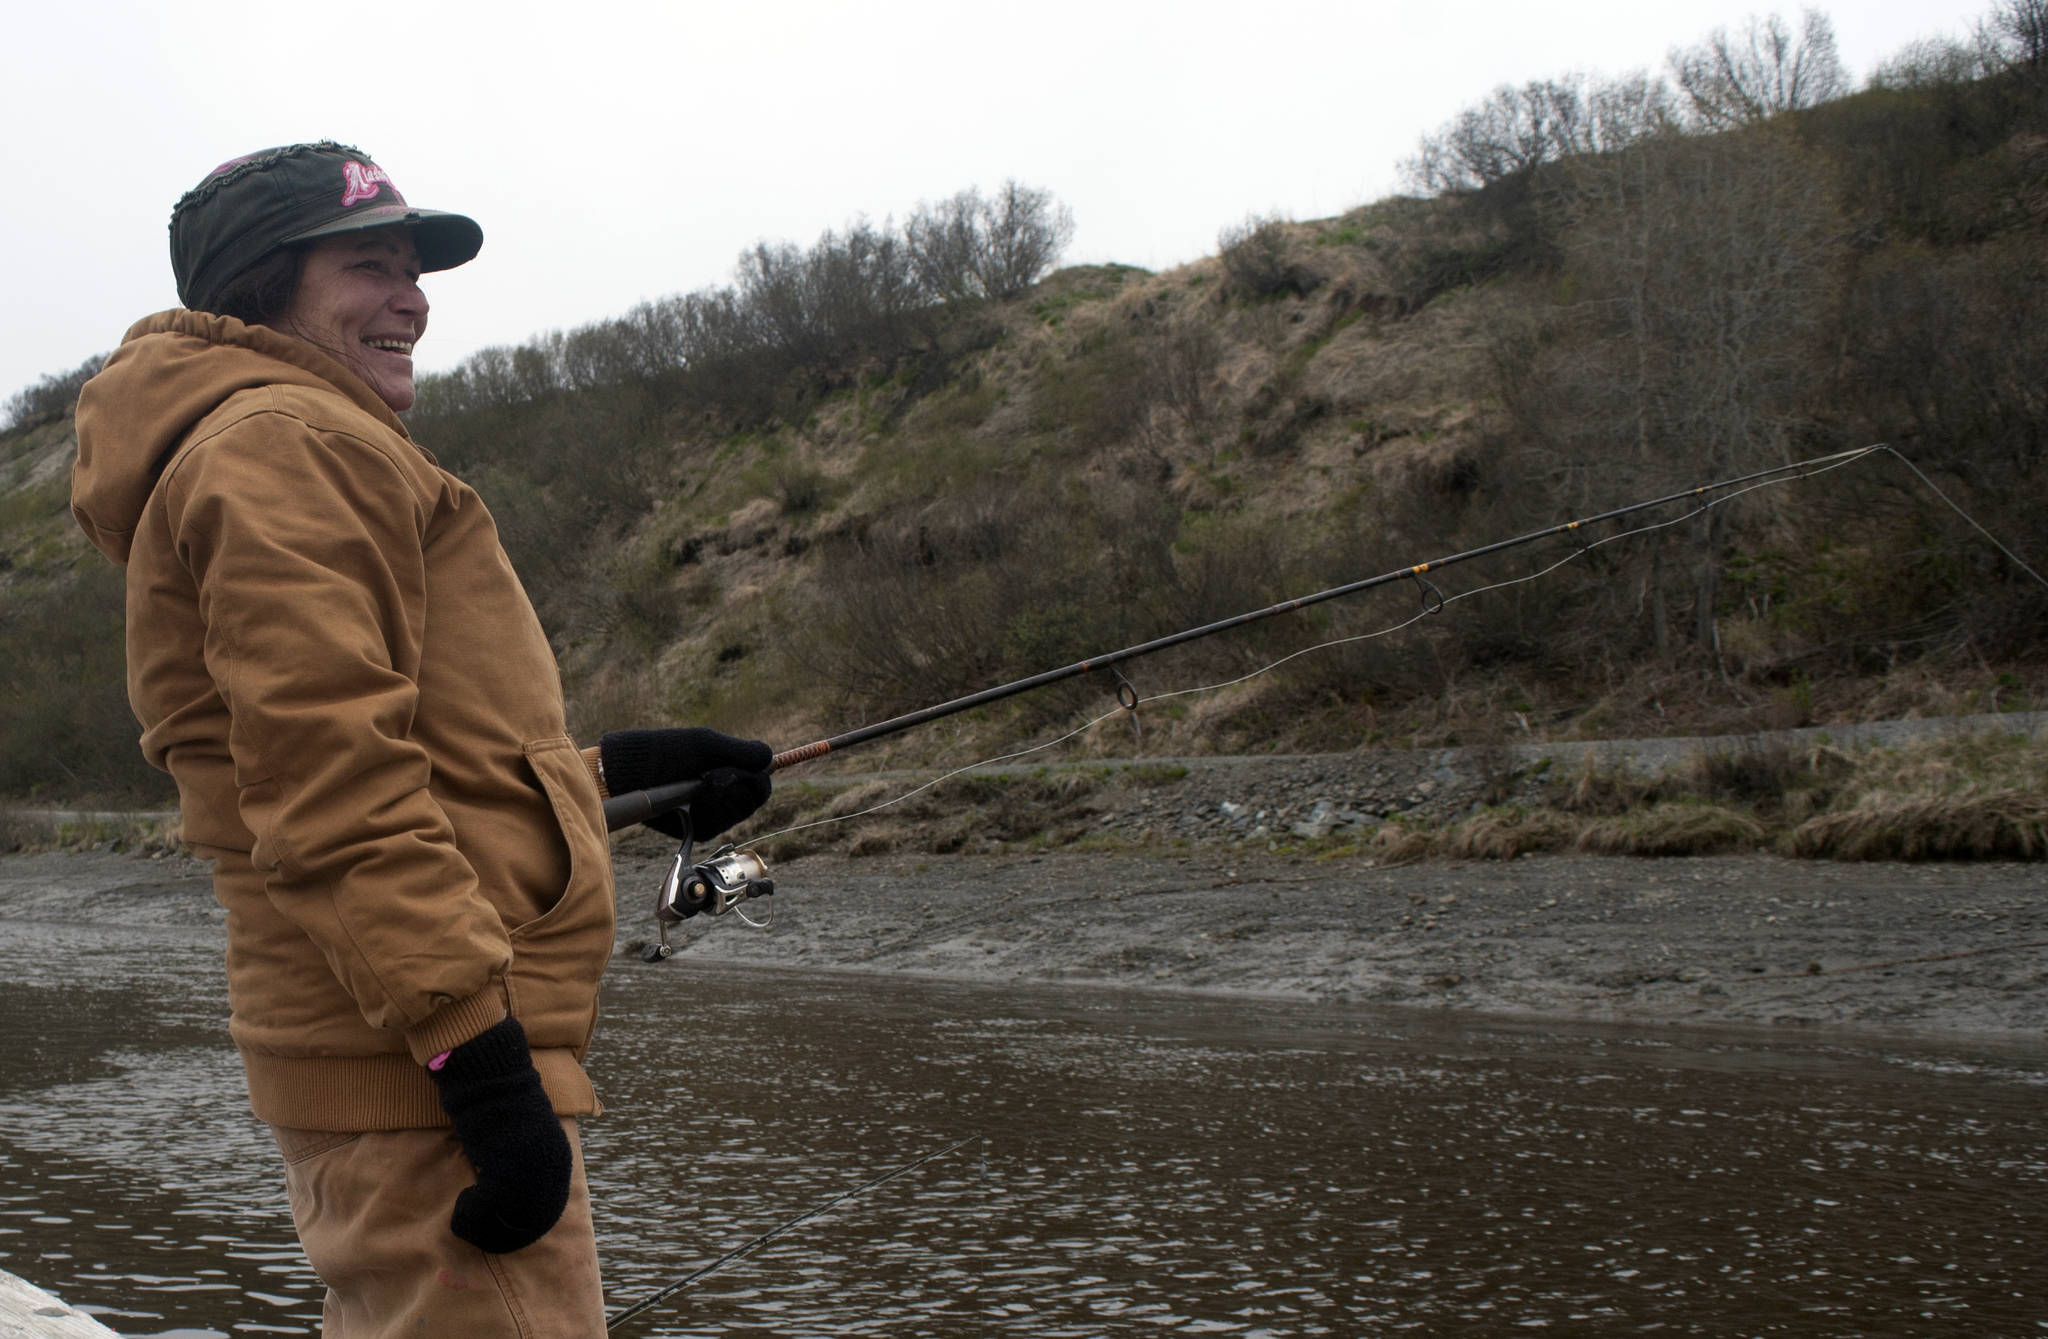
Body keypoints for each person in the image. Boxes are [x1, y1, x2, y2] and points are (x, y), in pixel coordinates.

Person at [70, 141, 771, 1337]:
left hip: (398, 1046)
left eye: (414, 267)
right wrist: (477, 1067)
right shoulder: (286, 443)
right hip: (416, 1064)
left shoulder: (285, 442)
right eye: (369, 265)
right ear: (261, 285)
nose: (413, 298)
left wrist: (609, 772)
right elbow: (328, 786)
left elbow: (374, 757)